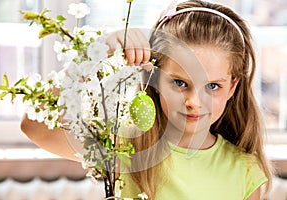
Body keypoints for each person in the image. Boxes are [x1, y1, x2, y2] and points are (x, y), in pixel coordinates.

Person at [21, 0, 273, 199]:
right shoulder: (128, 147)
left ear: (232, 88)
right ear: (154, 77)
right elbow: (33, 126)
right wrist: (96, 53)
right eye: (180, 83)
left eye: (213, 86)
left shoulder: (245, 171)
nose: (194, 101)